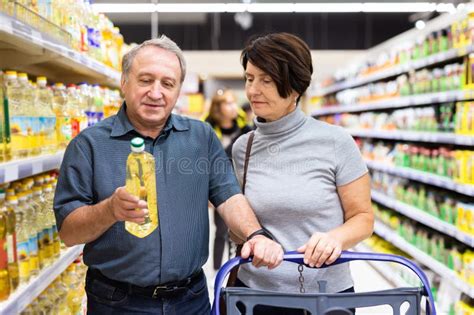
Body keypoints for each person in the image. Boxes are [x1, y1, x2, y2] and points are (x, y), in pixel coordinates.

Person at [53, 35, 283, 315]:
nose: (156, 92)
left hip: (191, 299)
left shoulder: (201, 137)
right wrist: (109, 210)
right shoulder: (88, 145)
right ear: (124, 82)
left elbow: (228, 195)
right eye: (145, 80)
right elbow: (68, 232)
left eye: (167, 83)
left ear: (178, 91)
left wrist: (255, 234)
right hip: (116, 302)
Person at [231, 32, 374, 315]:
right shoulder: (242, 148)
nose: (253, 91)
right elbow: (238, 220)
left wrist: (336, 238)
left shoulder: (335, 142)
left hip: (326, 297)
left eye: (266, 80)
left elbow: (363, 218)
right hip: (255, 296)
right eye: (250, 78)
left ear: (295, 86)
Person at [204, 89, 252, 270]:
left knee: (240, 229)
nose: (233, 107)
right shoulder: (206, 129)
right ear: (218, 107)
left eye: (234, 103)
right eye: (228, 103)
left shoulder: (245, 129)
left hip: (241, 185)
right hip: (217, 185)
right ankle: (217, 270)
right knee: (220, 229)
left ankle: (237, 267)